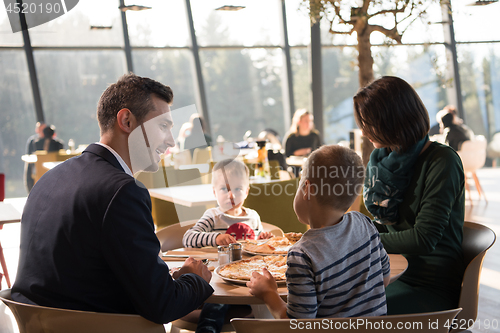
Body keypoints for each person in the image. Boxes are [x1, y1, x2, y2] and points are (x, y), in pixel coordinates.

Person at [12, 73, 214, 324]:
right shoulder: (122, 192)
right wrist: (195, 277)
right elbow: (163, 306)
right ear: (127, 120)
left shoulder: (49, 179)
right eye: (163, 126)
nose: (171, 141)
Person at [354, 76, 465, 315]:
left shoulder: (442, 161)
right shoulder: (383, 161)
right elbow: (388, 227)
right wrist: (348, 231)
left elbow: (424, 238)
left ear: (393, 120)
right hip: (389, 272)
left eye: (369, 123)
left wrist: (361, 242)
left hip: (429, 285)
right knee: (329, 304)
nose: (363, 131)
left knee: (347, 315)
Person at [247, 145, 390, 319]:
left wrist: (268, 293)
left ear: (307, 189)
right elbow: (384, 278)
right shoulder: (364, 224)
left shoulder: (302, 255)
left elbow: (299, 325)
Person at [182, 159, 273, 333]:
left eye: (237, 189)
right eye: (225, 189)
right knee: (214, 308)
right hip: (221, 282)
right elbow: (188, 238)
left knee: (268, 306)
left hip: (247, 281)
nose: (231, 195)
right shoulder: (213, 216)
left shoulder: (253, 217)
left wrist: (263, 240)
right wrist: (215, 238)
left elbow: (256, 250)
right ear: (214, 192)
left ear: (246, 191)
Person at [24, 121, 46, 192]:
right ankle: (30, 190)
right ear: (37, 130)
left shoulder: (52, 142)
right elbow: (29, 155)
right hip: (35, 165)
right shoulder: (33, 141)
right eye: (40, 129)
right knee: (29, 167)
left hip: (47, 166)